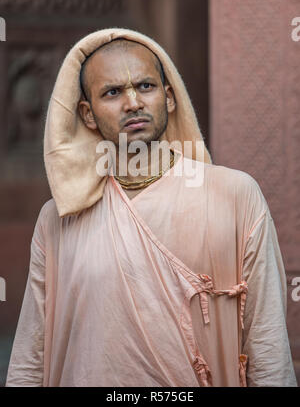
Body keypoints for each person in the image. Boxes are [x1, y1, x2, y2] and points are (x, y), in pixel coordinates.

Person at [5, 28, 297, 387]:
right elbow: (31, 357)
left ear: (169, 97)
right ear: (88, 113)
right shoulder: (58, 218)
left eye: (145, 86)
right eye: (112, 92)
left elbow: (266, 344)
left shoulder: (234, 194)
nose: (133, 103)